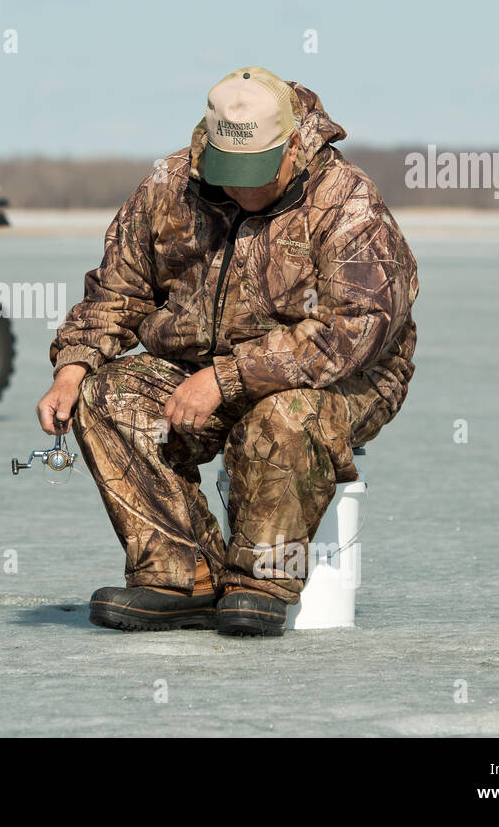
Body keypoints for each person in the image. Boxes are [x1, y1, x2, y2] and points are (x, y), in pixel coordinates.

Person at [37, 67, 418, 637]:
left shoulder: (348, 203)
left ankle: (259, 581)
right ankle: (179, 577)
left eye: (256, 174)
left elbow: (353, 328)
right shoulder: (169, 183)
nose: (242, 189)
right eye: (229, 173)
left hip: (340, 379)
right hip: (195, 368)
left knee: (286, 415)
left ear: (293, 146)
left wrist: (228, 377)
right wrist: (72, 368)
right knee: (106, 395)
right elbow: (120, 288)